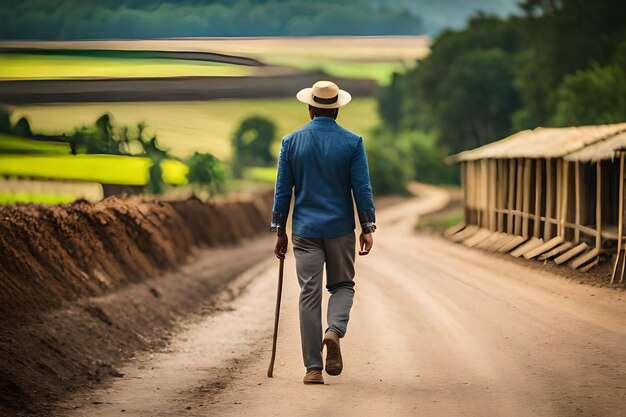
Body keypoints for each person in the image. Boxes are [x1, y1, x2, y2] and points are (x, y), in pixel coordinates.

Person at [271, 80, 376, 385]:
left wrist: (280, 229)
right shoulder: (353, 142)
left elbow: (282, 191)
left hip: (304, 230)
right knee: (343, 285)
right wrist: (367, 225)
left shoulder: (290, 142)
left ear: (310, 108)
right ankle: (334, 331)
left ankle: (313, 369)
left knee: (309, 294)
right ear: (337, 110)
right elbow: (362, 188)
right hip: (340, 228)